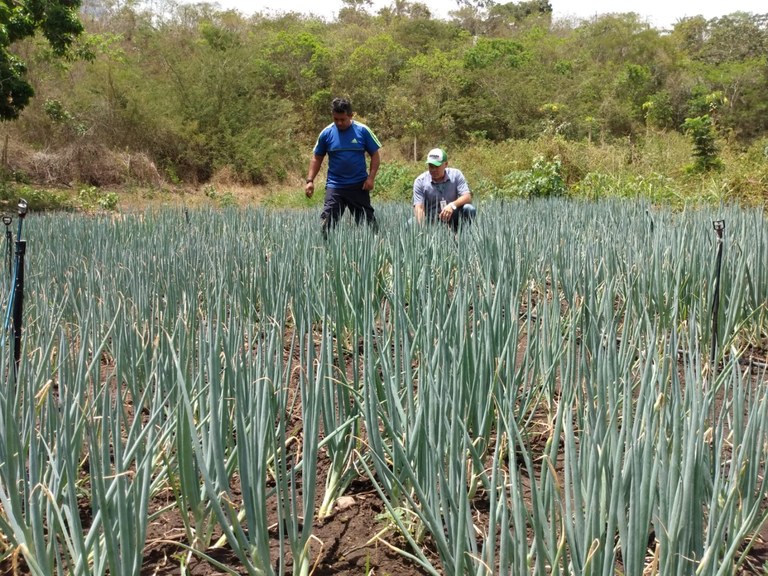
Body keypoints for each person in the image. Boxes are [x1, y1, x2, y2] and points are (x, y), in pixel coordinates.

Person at [305, 97, 381, 237]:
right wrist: (310, 181)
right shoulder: (326, 133)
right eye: (336, 119)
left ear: (351, 115)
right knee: (326, 225)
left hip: (358, 186)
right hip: (335, 186)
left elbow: (375, 155)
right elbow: (317, 157)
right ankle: (325, 253)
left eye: (342, 119)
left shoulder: (363, 131)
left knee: (369, 226)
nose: (339, 123)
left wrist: (371, 178)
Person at [412, 148, 476, 230]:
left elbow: (467, 197)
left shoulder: (456, 175)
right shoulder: (420, 181)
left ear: (446, 164)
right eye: (431, 166)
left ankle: (462, 237)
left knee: (469, 209)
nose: (433, 170)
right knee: (410, 224)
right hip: (431, 219)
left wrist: (452, 205)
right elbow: (419, 208)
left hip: (452, 216)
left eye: (437, 166)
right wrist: (424, 232)